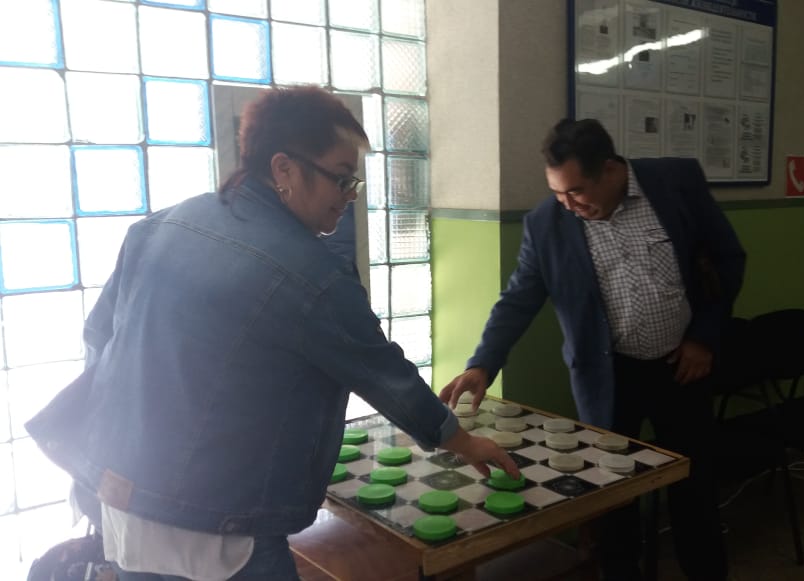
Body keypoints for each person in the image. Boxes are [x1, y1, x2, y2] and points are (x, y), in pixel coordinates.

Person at [26, 86, 519, 581]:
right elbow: (383, 372)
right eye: (341, 178)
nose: (350, 195)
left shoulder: (163, 224)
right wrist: (462, 441)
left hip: (118, 494)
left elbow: (99, 339)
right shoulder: (309, 272)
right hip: (216, 527)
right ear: (284, 168)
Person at [439, 118, 746, 580]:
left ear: (611, 169)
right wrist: (483, 362)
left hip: (683, 367)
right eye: (558, 193)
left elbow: (727, 258)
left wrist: (704, 337)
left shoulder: (676, 182)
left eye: (576, 191)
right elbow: (518, 299)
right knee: (612, 494)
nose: (568, 205)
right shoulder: (546, 223)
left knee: (694, 485)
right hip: (608, 377)